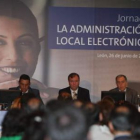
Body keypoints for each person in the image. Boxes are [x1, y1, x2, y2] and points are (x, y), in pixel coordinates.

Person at [0, 0, 58, 104]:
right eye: (0, 42)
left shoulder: (60, 101)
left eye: (24, 43)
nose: (14, 56)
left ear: (37, 50)